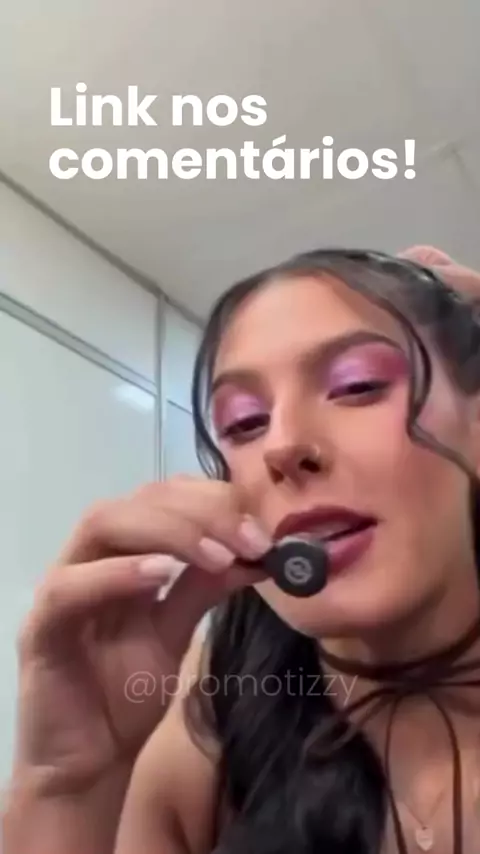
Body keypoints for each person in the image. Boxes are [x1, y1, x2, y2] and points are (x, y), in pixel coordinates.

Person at [4, 246, 480, 854]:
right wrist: (64, 786)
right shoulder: (211, 705)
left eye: (358, 386)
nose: (282, 446)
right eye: (245, 423)